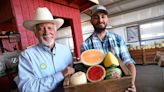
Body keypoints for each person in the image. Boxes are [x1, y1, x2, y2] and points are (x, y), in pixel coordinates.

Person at [14, 7, 75, 92]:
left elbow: (71, 71)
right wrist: (61, 74)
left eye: (49, 28)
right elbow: (26, 88)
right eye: (41, 29)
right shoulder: (27, 56)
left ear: (55, 30)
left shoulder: (65, 50)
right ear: (35, 33)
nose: (46, 32)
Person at [81, 5, 136, 92]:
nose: (100, 20)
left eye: (103, 17)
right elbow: (86, 71)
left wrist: (131, 83)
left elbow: (128, 62)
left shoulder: (118, 39)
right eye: (96, 17)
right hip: (98, 88)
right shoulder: (85, 44)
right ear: (91, 21)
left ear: (107, 19)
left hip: (121, 87)